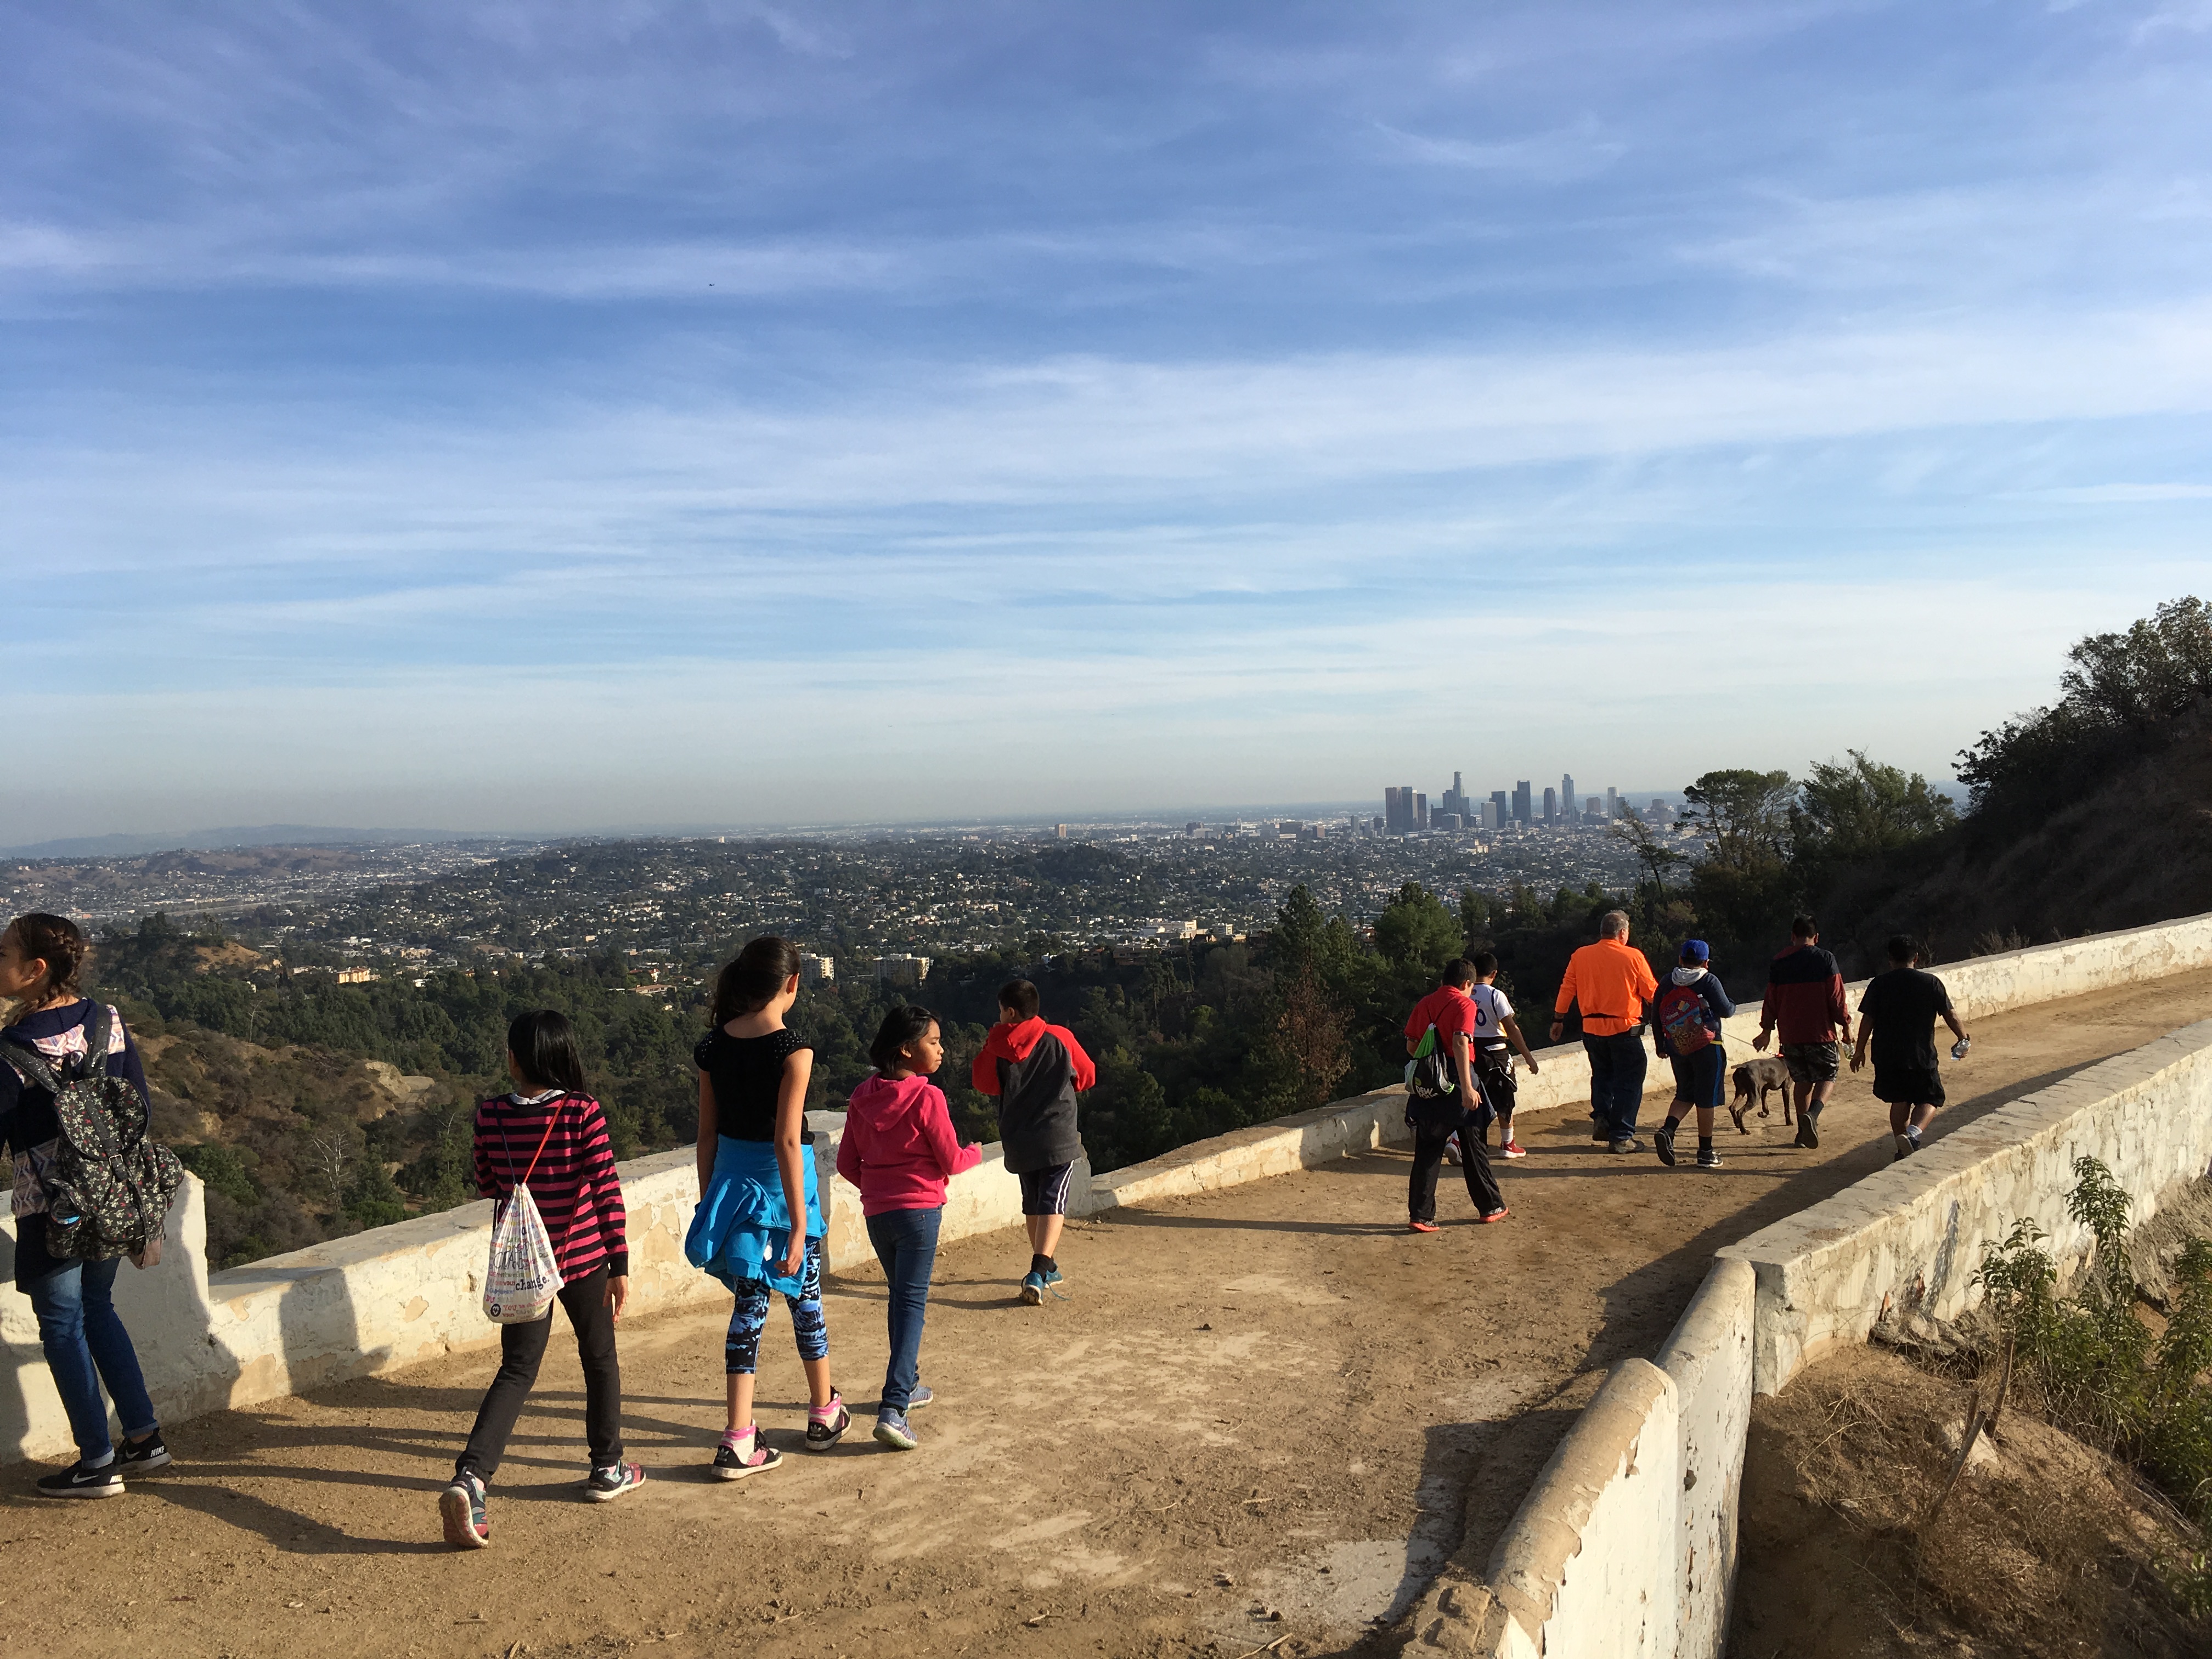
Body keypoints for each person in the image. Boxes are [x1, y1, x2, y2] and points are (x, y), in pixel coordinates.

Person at [440, 1010, 639, 1548]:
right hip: (582, 1259)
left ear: (515, 1059)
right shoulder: (582, 1112)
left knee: (517, 1370)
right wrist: (619, 1264)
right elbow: (605, 1191)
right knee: (599, 1359)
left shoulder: (491, 1116)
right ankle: (607, 1467)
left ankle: (472, 1478)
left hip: (524, 1267)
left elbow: (488, 1183)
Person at [0, 913, 170, 1499]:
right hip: (114, 1196)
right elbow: (138, 1106)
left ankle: (96, 1460)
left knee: (62, 1324)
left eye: (4, 954)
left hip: (49, 1209)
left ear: (34, 970)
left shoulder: (13, 1050)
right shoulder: (107, 1020)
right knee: (98, 1307)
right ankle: (144, 1437)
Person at [689, 936, 845, 1478]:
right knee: (806, 1301)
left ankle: (745, 1430)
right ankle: (817, 1414)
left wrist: (709, 1200)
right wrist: (801, 1226)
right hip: (782, 1194)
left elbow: (706, 1136)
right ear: (791, 985)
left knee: (748, 1312)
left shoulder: (712, 1048)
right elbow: (785, 1141)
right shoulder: (793, 1051)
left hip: (732, 1189)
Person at [838, 1006, 981, 1452]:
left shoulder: (863, 1096)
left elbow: (847, 1163)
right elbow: (953, 1160)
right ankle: (894, 1407)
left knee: (900, 1299)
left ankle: (910, 1384)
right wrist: (975, 1151)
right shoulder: (928, 1098)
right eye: (934, 1042)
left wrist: (881, 1189)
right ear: (907, 1049)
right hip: (920, 1213)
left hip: (879, 1214)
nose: (942, 1049)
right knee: (912, 1303)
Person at [972, 978, 1096, 1305]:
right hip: (1058, 1134)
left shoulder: (996, 1047)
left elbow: (984, 1084)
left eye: (1000, 1011)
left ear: (1010, 1012)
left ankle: (1047, 1265)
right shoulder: (1061, 1037)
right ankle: (1039, 1271)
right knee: (1053, 1200)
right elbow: (1087, 1075)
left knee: (1034, 1201)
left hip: (1018, 1135)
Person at [1403, 960, 1510, 1231]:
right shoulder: (1465, 1004)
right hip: (1459, 1079)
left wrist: (1431, 1066)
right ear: (1466, 984)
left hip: (1429, 1081)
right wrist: (1468, 1087)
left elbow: (1411, 1044)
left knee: (1427, 1150)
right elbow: (1461, 1041)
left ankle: (1421, 1215)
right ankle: (1490, 1205)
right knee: (1475, 1147)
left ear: (1443, 981)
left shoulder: (1425, 1003)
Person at [1852, 935, 1970, 1160]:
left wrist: (1859, 1051)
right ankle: (1914, 1135)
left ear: (1890, 959)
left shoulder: (1879, 984)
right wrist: (1963, 1038)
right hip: (1920, 1054)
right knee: (1932, 1098)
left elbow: (1868, 1020)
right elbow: (1950, 1014)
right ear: (1916, 957)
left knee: (1900, 1099)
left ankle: (1902, 1149)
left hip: (1887, 1056)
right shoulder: (1930, 983)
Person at [1551, 911, 1660, 1153]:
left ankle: (1601, 1118)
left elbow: (1567, 988)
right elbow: (1652, 993)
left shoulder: (1581, 956)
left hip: (1591, 1029)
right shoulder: (1633, 957)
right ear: (1622, 933)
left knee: (1602, 1076)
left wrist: (1558, 1019)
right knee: (1630, 1081)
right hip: (1624, 1029)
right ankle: (1622, 1136)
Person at [1752, 916, 1853, 1149]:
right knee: (1828, 1076)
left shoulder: (1779, 962)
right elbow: (1837, 997)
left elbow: (1771, 999)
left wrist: (1767, 1030)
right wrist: (1845, 1024)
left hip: (1790, 1035)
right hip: (1820, 1033)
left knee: (1802, 1080)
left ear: (1792, 937)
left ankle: (1802, 1133)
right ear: (1816, 938)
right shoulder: (1826, 959)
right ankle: (1813, 1116)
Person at [1649, 941, 1736, 1170]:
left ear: (1680, 959)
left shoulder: (1667, 981)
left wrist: (1662, 1045)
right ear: (1706, 962)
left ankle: (1667, 1130)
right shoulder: (1708, 980)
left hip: (1678, 1046)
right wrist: (1732, 1006)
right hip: (1708, 1046)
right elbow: (1726, 1010)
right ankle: (1706, 1153)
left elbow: (1656, 1015)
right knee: (1706, 1099)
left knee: (1685, 1093)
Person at [1465, 951, 1539, 1160]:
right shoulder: (1495, 995)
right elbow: (1511, 1028)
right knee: (1504, 1098)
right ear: (1494, 973)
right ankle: (1508, 1142)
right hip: (1496, 1054)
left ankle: (1459, 1140)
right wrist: (1528, 1057)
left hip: (1471, 1052)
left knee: (1473, 1096)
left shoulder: (1467, 993)